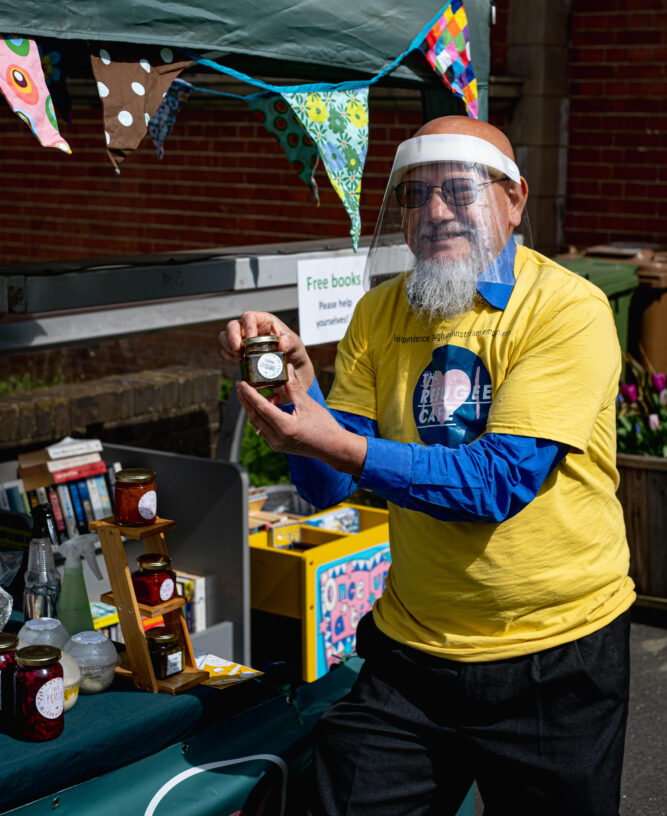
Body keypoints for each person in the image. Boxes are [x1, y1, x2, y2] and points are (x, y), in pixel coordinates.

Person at [220, 115, 634, 816]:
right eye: (415, 195)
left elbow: (497, 483)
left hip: (556, 655)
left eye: (459, 190)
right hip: (413, 651)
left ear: (514, 200)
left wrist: (337, 442)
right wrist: (298, 392)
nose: (435, 211)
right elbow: (328, 484)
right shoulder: (380, 312)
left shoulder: (565, 309)